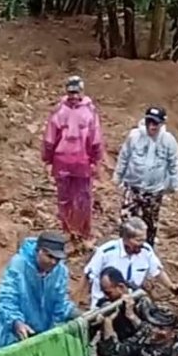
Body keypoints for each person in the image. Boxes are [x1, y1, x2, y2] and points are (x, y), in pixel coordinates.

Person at [0, 231, 77, 351]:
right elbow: (6, 298)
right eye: (49, 257)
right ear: (38, 251)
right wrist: (16, 322)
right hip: (11, 335)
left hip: (39, 335)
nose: (53, 262)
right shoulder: (19, 264)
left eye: (57, 259)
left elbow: (59, 303)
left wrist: (74, 313)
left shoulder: (60, 271)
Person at [41, 76, 104, 241]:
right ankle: (75, 232)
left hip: (71, 162)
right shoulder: (88, 112)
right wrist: (96, 160)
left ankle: (74, 231)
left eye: (76, 92)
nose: (74, 96)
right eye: (71, 92)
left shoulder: (60, 111)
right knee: (75, 197)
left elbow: (50, 139)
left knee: (73, 197)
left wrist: (48, 159)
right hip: (75, 161)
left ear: (81, 92)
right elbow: (95, 139)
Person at [114, 104, 178, 246]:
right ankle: (123, 247)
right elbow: (124, 156)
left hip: (153, 190)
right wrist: (118, 175)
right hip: (133, 186)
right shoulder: (134, 136)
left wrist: (174, 183)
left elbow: (173, 163)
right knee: (126, 220)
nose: (151, 126)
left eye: (155, 123)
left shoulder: (168, 141)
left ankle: (146, 250)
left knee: (149, 223)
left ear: (162, 123)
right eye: (149, 122)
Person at [83, 216, 176, 308]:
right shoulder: (106, 252)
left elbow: (157, 271)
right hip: (105, 305)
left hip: (131, 305)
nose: (142, 244)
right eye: (138, 240)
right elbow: (88, 276)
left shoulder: (146, 251)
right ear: (126, 239)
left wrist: (171, 286)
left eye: (144, 240)